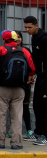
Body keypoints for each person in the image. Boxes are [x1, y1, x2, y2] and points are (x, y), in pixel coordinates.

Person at [0, 30, 36, 150]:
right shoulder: (24, 51)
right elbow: (32, 68)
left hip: (3, 87)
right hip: (20, 88)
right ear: (15, 39)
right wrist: (30, 77)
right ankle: (16, 142)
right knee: (17, 116)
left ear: (4, 40)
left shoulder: (1, 50)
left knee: (1, 115)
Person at [23, 16, 47, 146]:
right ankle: (38, 132)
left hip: (45, 78)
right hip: (40, 76)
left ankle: (45, 135)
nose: (27, 30)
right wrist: (32, 74)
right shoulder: (35, 38)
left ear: (36, 26)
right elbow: (36, 59)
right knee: (37, 105)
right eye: (25, 27)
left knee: (43, 106)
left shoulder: (44, 39)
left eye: (29, 27)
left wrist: (42, 74)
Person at [17, 31, 36, 141]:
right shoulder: (8, 50)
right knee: (14, 107)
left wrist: (31, 76)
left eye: (19, 37)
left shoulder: (26, 51)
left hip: (25, 83)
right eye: (16, 37)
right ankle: (14, 130)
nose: (18, 39)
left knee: (25, 107)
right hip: (14, 82)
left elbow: (31, 65)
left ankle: (29, 129)